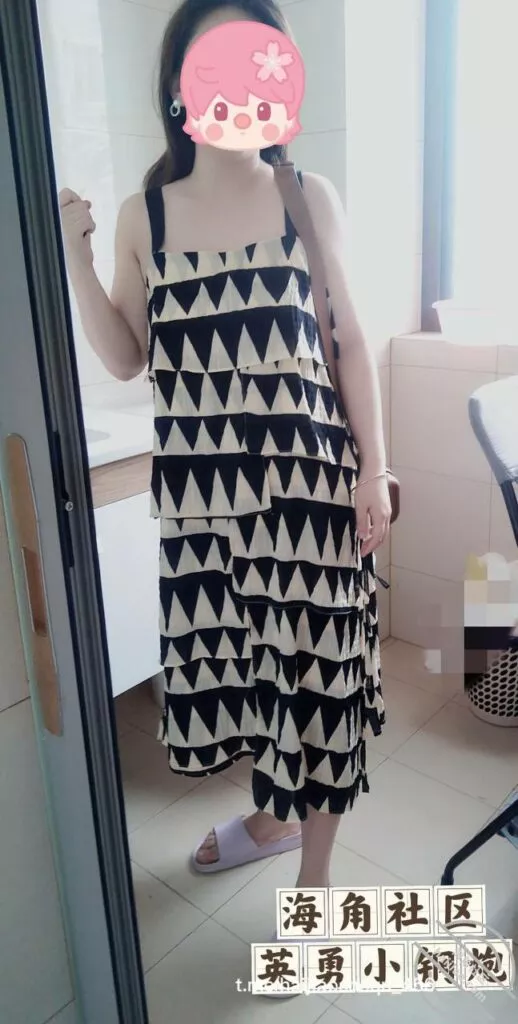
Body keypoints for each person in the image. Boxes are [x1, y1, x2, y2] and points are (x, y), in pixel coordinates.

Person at [59, 0, 390, 897]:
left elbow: (349, 339)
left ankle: (314, 874)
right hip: (207, 510)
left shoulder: (305, 196)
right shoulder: (144, 217)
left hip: (311, 494)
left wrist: (376, 468)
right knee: (250, 680)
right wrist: (77, 257)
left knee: (320, 679)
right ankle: (273, 818)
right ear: (179, 83)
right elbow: (127, 356)